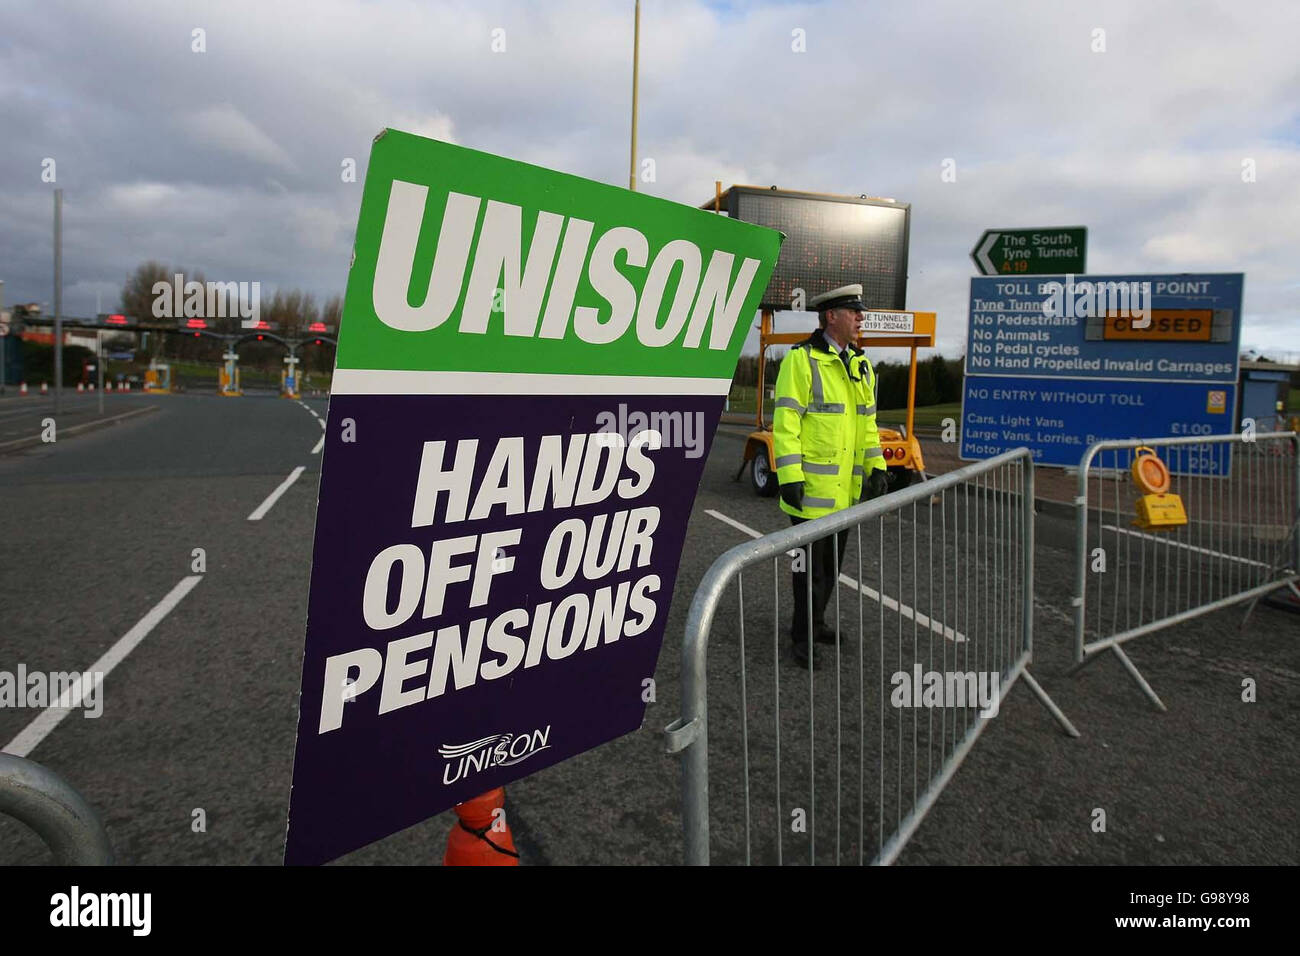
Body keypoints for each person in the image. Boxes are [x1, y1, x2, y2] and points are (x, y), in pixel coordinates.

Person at [772, 283, 887, 668]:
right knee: (809, 572)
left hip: (844, 495)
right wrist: (788, 473)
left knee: (831, 569)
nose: (861, 318)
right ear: (830, 317)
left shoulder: (860, 365)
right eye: (853, 312)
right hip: (810, 493)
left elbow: (868, 425)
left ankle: (817, 623)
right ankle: (801, 638)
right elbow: (786, 421)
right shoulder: (801, 361)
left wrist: (878, 467)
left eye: (861, 312)